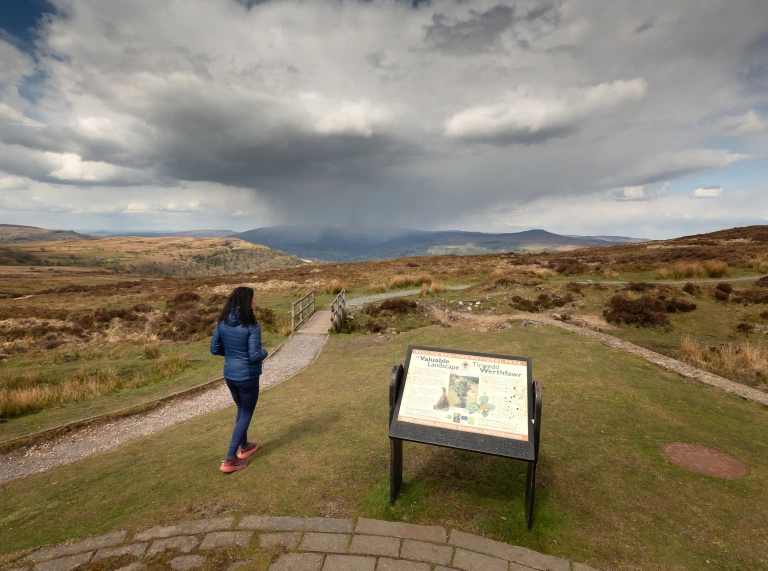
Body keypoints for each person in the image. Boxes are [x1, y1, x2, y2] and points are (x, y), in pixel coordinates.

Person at [210, 286, 268, 473]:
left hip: (230, 376)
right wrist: (265, 352)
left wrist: (233, 355)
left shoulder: (222, 322)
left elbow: (214, 349)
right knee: (246, 412)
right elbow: (254, 355)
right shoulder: (252, 325)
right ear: (246, 302)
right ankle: (230, 459)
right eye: (254, 299)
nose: (255, 302)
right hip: (248, 376)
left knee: (242, 410)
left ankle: (245, 446)